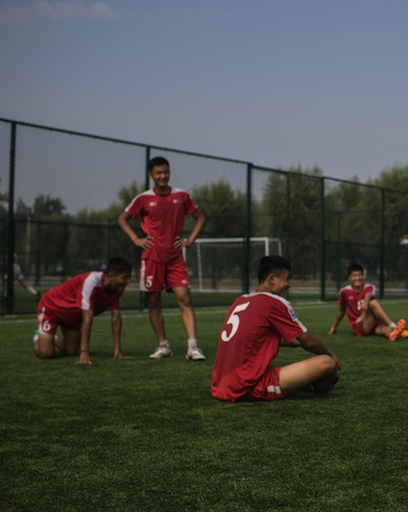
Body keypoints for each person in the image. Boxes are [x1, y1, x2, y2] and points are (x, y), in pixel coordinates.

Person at [211, 255, 340, 402]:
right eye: (286, 278)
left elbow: (256, 337)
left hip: (221, 383)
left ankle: (300, 382)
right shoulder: (273, 302)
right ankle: (307, 385)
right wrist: (330, 354)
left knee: (268, 363)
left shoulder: (240, 300)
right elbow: (308, 341)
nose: (288, 284)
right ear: (272, 279)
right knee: (327, 363)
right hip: (245, 386)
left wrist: (296, 343)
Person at [118, 156, 207, 360]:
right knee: (153, 301)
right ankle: (163, 346)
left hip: (175, 258)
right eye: (158, 173)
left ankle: (193, 347)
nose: (163, 176)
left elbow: (200, 217)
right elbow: (122, 219)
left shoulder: (182, 196)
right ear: (151, 175)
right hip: (151, 258)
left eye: (166, 172)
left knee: (185, 299)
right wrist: (136, 240)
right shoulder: (143, 199)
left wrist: (189, 240)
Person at [33, 257, 132, 364]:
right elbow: (87, 318)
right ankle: (37, 336)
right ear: (111, 275)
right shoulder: (91, 282)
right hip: (52, 309)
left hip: (72, 317)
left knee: (71, 351)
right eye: (124, 277)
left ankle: (53, 338)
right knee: (46, 353)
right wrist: (84, 352)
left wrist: (117, 351)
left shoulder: (117, 289)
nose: (127, 281)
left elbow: (116, 318)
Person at [328, 262, 408, 340]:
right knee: (373, 303)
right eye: (354, 276)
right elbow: (341, 311)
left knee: (384, 330)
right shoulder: (344, 291)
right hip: (359, 324)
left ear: (363, 276)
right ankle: (394, 326)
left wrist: (365, 302)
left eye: (360, 275)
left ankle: (392, 334)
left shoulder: (370, 287)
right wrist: (333, 327)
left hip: (371, 322)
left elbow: (369, 295)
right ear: (349, 278)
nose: (357, 278)